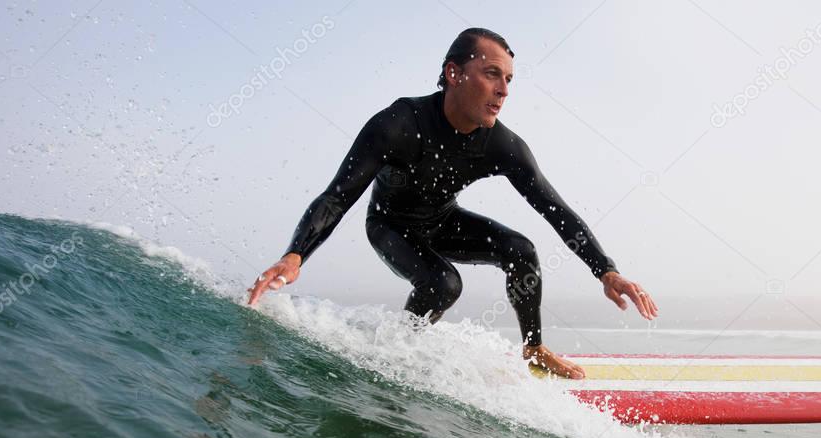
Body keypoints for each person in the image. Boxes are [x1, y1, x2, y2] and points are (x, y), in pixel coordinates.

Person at [248, 27, 657, 379]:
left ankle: (533, 349)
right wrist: (295, 255)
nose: (503, 90)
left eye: (510, 80)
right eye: (492, 74)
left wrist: (607, 272)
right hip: (390, 226)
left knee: (521, 251)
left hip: (442, 220)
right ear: (454, 73)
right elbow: (337, 197)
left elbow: (555, 209)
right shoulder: (397, 125)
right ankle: (396, 353)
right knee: (443, 283)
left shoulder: (502, 145)